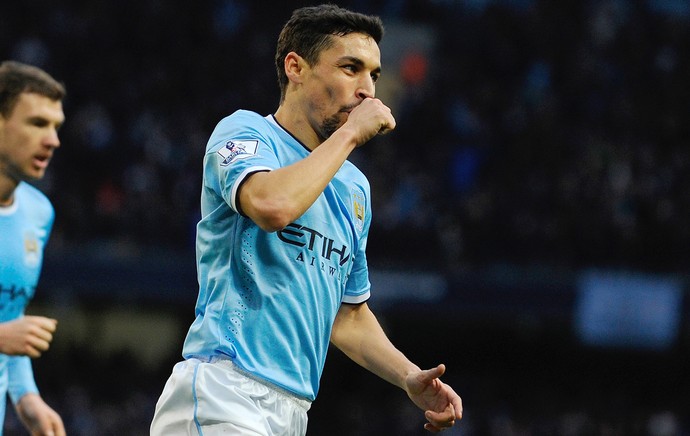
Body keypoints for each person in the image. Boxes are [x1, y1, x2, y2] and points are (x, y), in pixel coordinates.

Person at [151, 4, 462, 435]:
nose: (368, 90)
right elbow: (271, 207)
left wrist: (407, 376)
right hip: (224, 389)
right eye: (351, 68)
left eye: (373, 74)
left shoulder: (354, 187)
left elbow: (347, 314)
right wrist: (351, 134)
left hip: (292, 411)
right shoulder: (245, 133)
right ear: (295, 67)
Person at [0, 60, 66, 436]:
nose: (53, 139)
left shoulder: (38, 213)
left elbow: (10, 313)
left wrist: (26, 397)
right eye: (37, 123)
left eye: (56, 126)